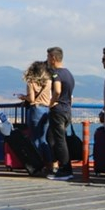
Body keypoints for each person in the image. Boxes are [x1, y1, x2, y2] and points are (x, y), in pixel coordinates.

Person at [45, 46, 75, 181]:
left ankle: (66, 169)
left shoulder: (56, 73)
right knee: (51, 138)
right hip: (67, 109)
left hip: (58, 110)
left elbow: (57, 90)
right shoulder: (68, 73)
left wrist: (51, 103)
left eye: (48, 57)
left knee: (59, 140)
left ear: (53, 58)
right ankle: (57, 165)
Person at [19, 59, 52, 164]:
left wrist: (24, 97)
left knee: (34, 138)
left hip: (36, 110)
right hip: (47, 110)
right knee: (43, 139)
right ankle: (50, 163)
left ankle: (37, 163)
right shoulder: (49, 81)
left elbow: (32, 99)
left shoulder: (31, 82)